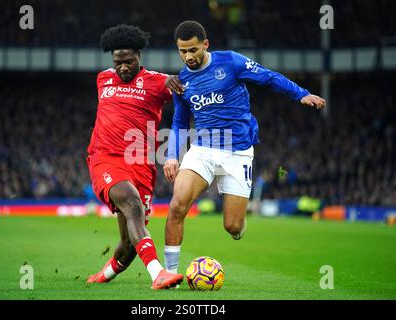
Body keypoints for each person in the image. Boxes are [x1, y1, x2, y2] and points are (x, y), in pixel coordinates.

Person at [163, 21, 326, 274]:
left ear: (205, 45)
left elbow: (268, 77)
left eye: (193, 50)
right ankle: (169, 274)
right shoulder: (181, 81)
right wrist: (172, 156)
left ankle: (239, 222)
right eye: (182, 51)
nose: (188, 56)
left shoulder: (231, 62)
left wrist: (301, 94)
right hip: (202, 149)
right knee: (176, 206)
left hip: (237, 151)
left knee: (233, 227)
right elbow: (179, 122)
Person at [86, 24, 183, 289]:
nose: (123, 67)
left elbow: (186, 90)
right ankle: (158, 275)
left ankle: (102, 276)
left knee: (129, 244)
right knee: (131, 203)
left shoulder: (159, 82)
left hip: (141, 164)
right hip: (105, 158)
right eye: (118, 62)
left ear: (139, 56)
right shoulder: (102, 78)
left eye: (128, 61)